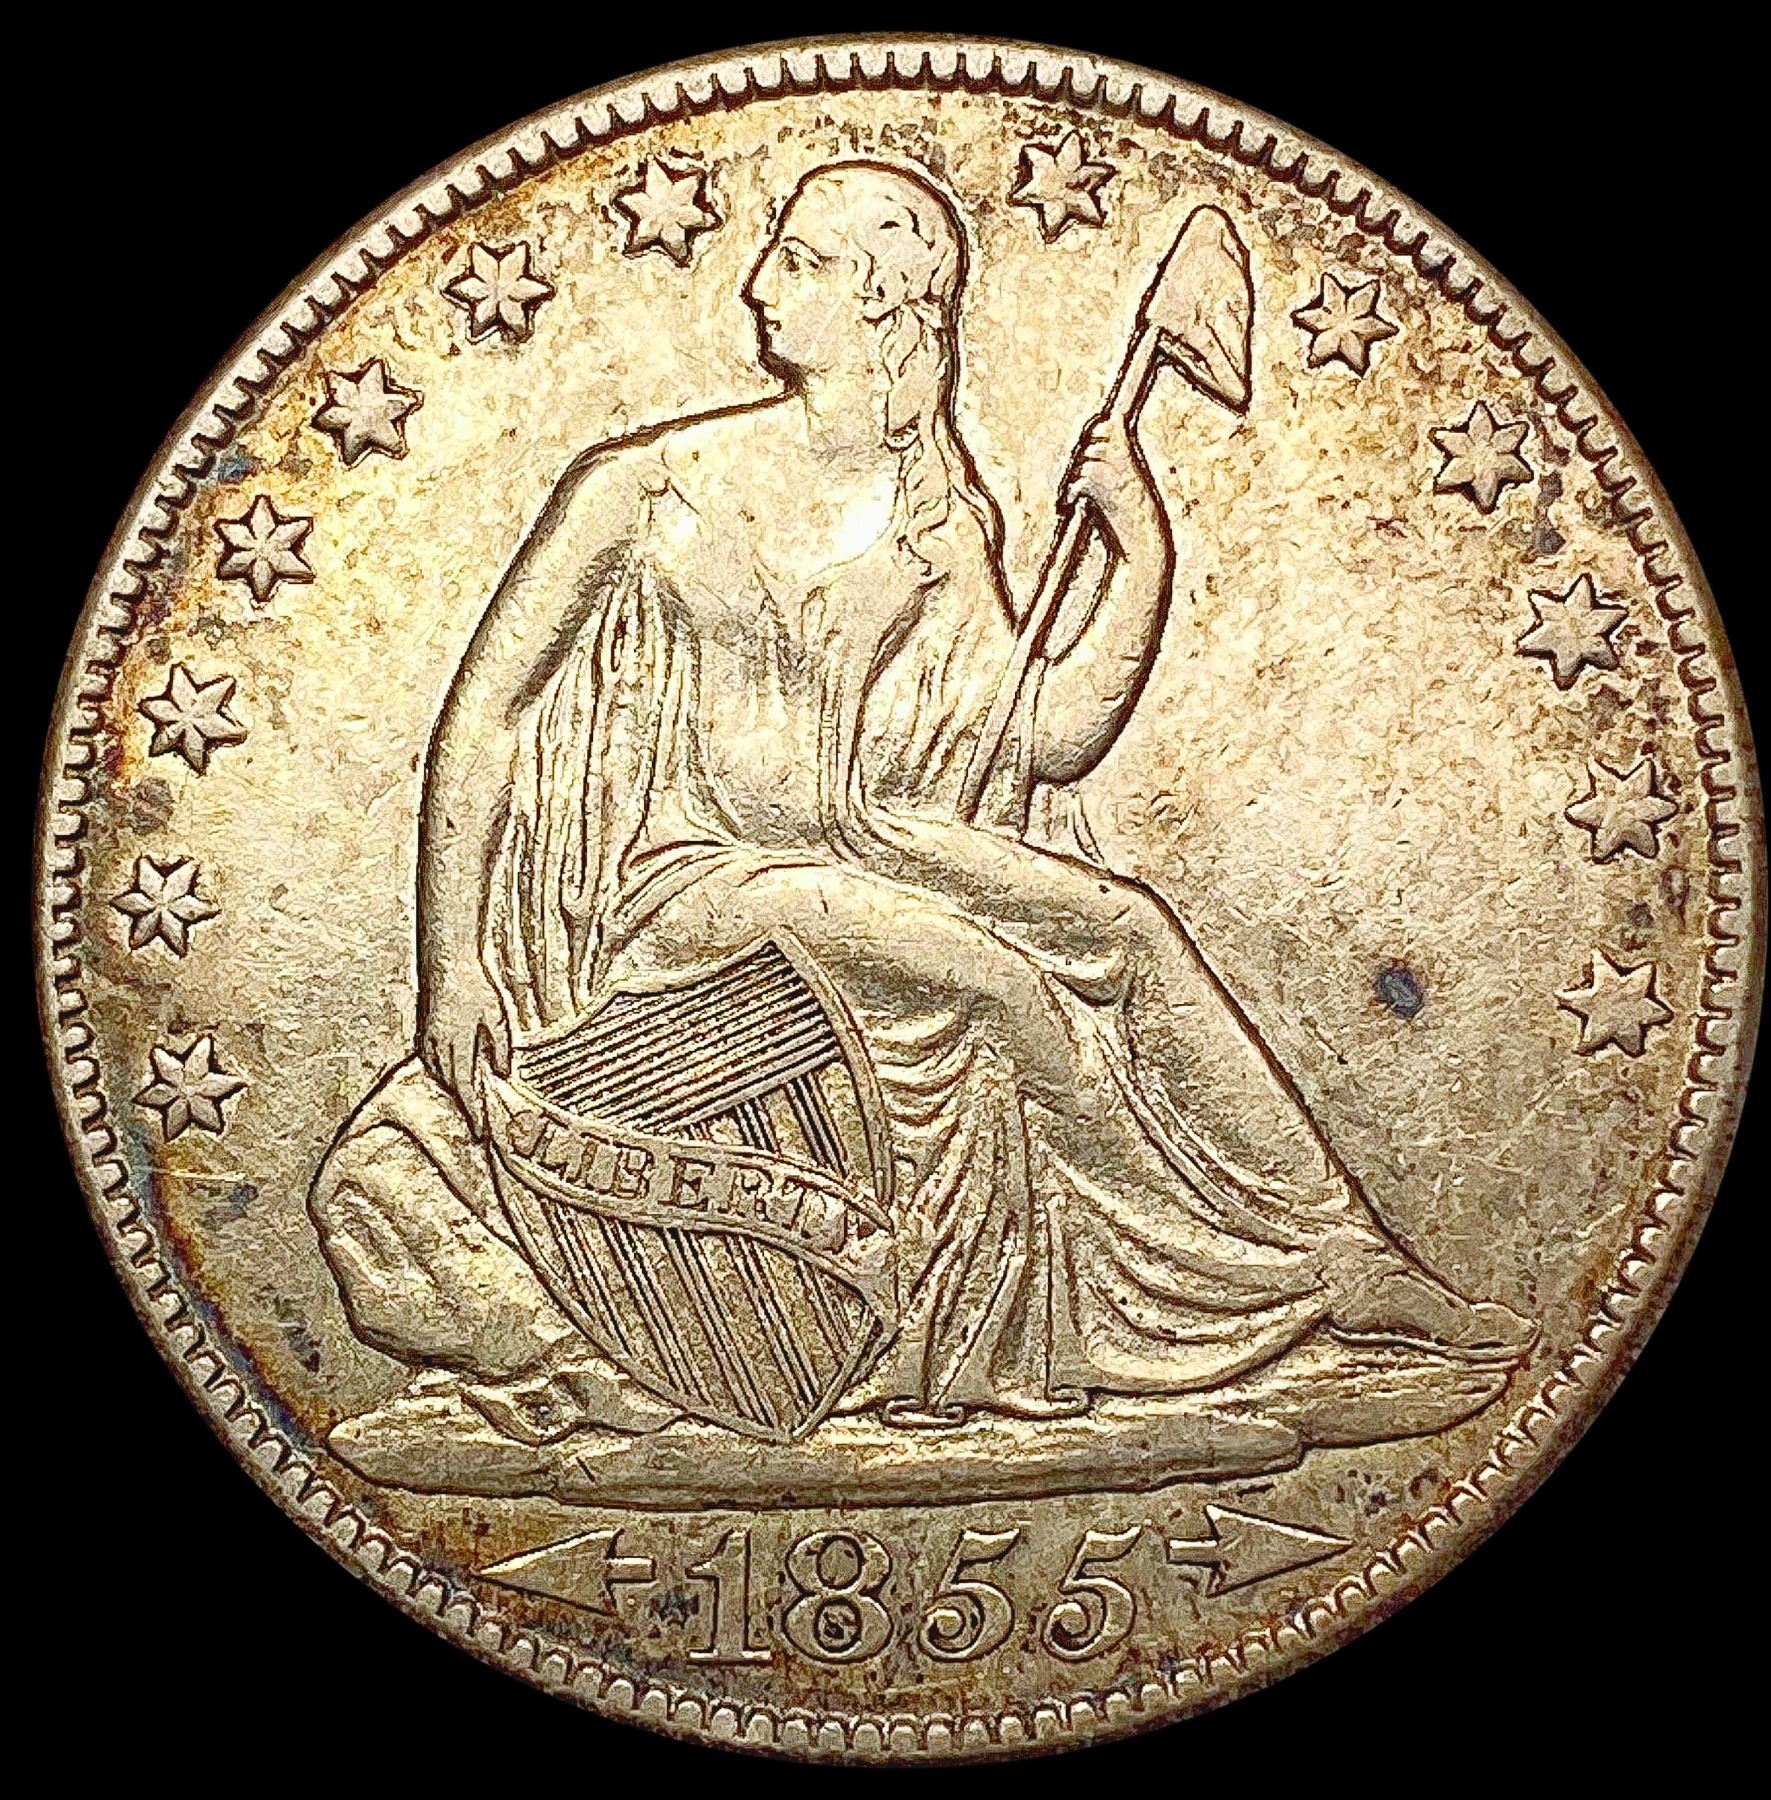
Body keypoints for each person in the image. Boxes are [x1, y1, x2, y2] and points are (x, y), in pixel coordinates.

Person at [313, 160, 1532, 1448]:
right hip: (686, 881)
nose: (757, 286)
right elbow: (487, 712)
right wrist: (452, 966)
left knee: (1129, 927)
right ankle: (1211, 1301)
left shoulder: (937, 516)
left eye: (798, 261)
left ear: (886, 303)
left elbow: (1045, 737)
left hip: (866, 845)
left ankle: (1338, 1253)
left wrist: (1140, 548)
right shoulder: (645, 487)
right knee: (999, 983)